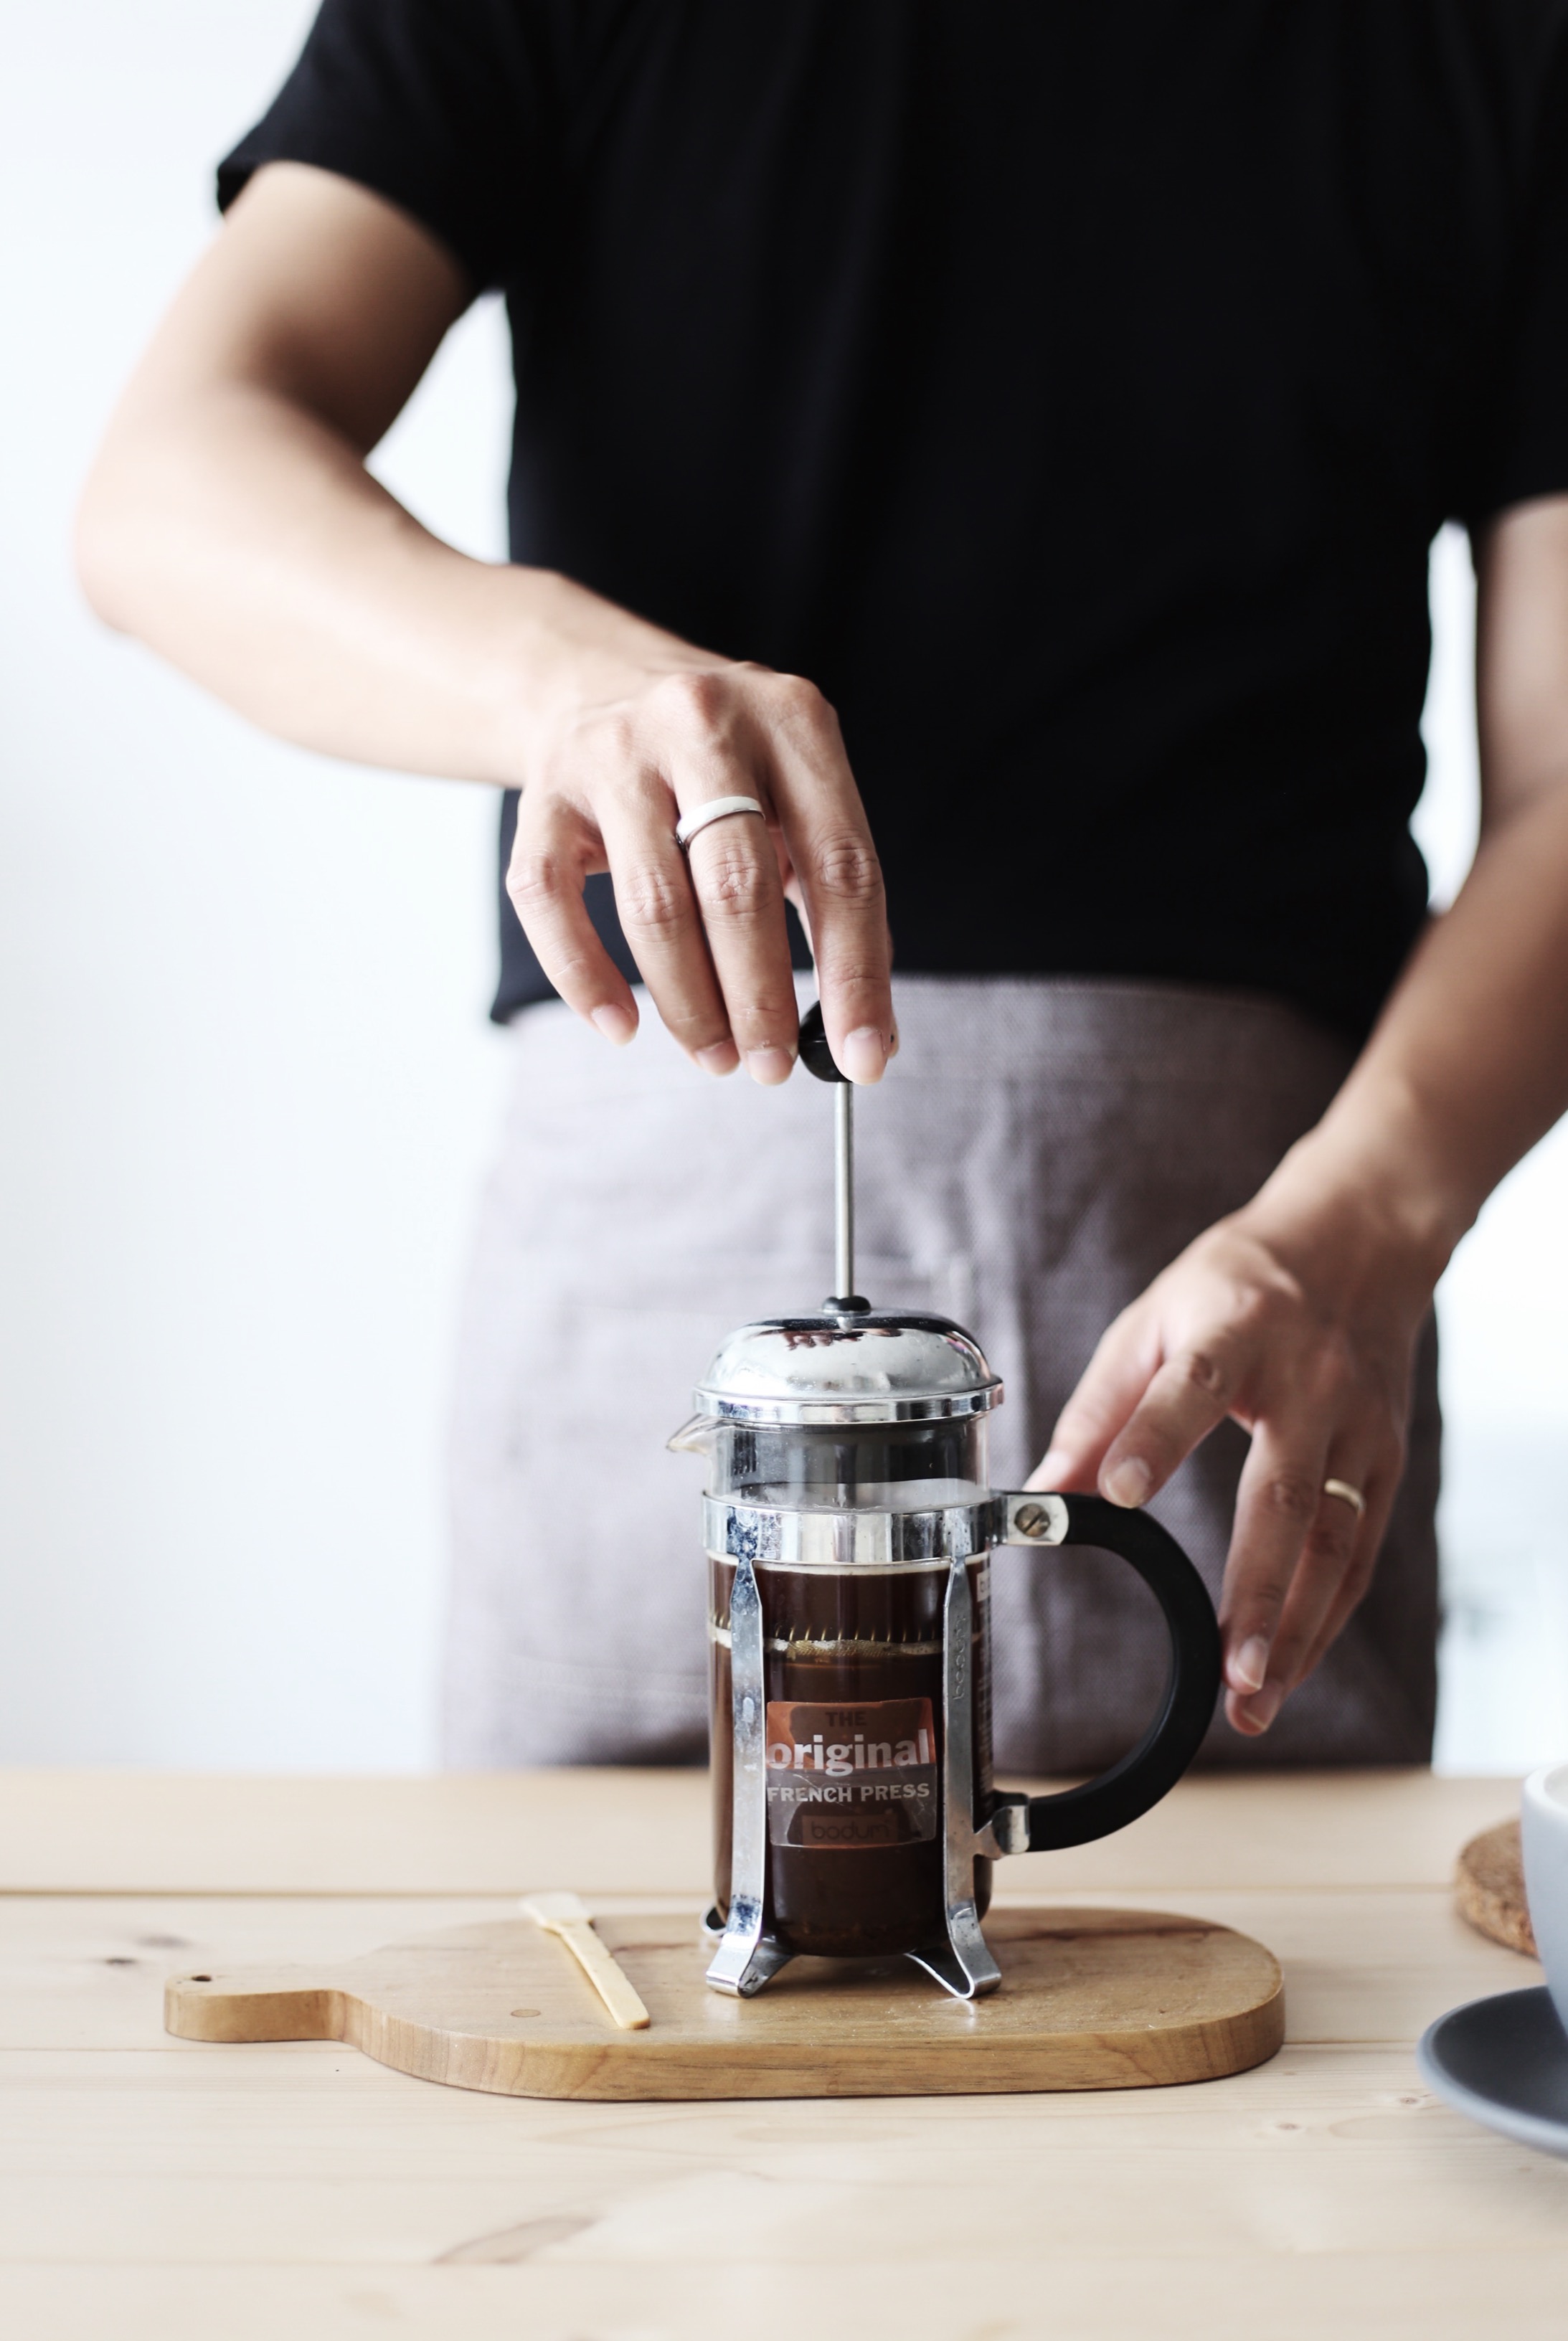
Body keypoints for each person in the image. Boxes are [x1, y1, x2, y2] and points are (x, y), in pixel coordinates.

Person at [76, 1, 1568, 1773]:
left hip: (1263, 1302)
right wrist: (579, 688)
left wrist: (1362, 1228)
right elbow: (164, 487)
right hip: (649, 1277)